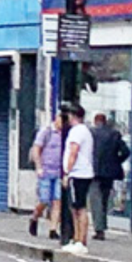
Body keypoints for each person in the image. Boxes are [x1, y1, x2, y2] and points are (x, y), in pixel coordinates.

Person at [60, 102, 96, 252]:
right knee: (76, 207)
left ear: (72, 116)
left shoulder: (76, 132)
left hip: (78, 173)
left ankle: (80, 241)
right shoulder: (85, 131)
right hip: (84, 173)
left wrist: (67, 172)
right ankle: (77, 239)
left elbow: (73, 152)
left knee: (78, 208)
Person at [28, 108, 66, 243]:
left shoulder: (65, 134)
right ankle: (34, 217)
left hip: (59, 172)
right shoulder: (46, 132)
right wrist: (38, 167)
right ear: (57, 118)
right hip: (45, 171)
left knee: (58, 201)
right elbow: (36, 149)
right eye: (62, 120)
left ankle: (53, 230)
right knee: (44, 200)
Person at [91, 111, 130, 239]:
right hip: (109, 172)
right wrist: (116, 161)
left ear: (95, 121)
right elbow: (126, 151)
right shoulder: (114, 134)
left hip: (94, 171)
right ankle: (103, 224)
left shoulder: (91, 133)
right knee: (104, 199)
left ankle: (99, 228)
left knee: (95, 199)